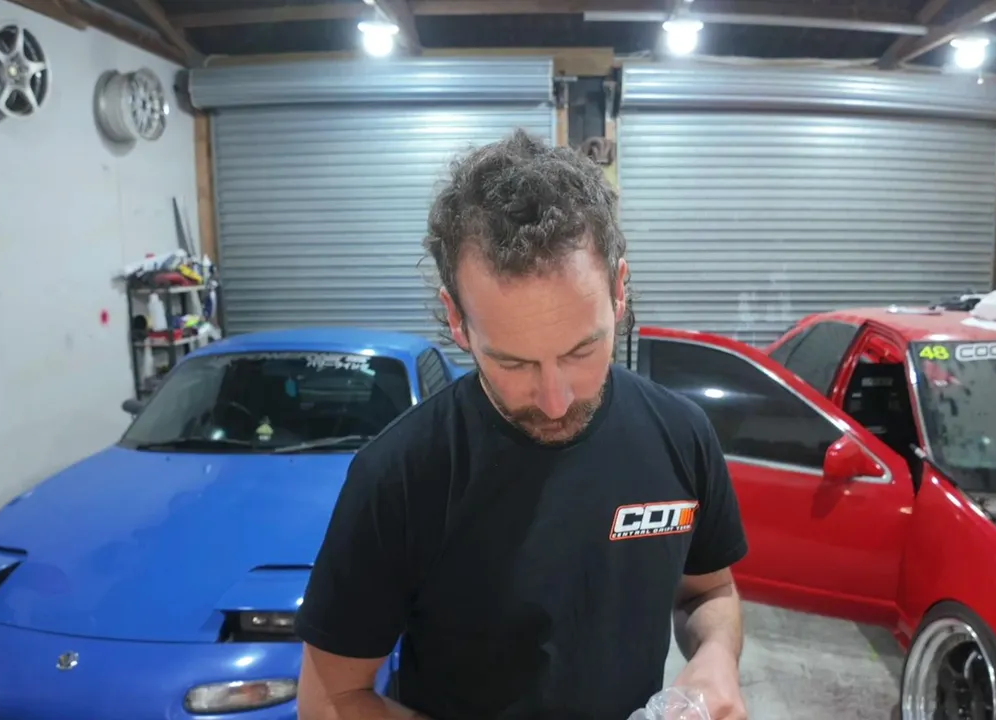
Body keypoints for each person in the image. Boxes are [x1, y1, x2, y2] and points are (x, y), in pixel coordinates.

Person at [295, 128, 750, 720]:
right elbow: (329, 698)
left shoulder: (681, 436)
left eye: (582, 351)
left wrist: (715, 657)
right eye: (512, 363)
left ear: (619, 292)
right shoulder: (398, 477)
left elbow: (709, 590)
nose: (556, 401)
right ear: (457, 319)